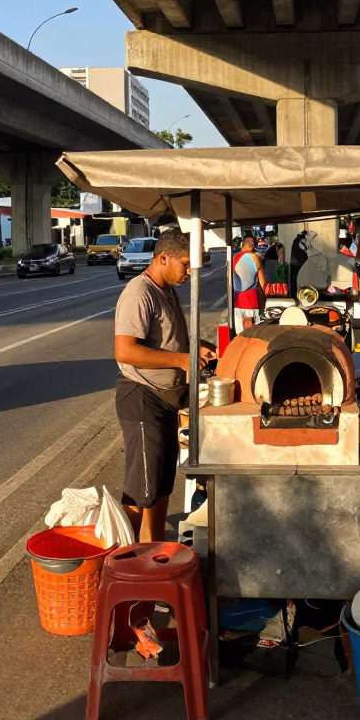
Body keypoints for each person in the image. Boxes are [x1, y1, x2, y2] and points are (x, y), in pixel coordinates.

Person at [113, 230, 215, 542]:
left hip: (167, 401)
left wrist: (196, 350)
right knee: (140, 490)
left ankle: (154, 555)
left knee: (160, 489)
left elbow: (168, 342)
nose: (188, 272)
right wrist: (182, 360)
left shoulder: (166, 291)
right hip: (143, 397)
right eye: (185, 265)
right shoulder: (139, 292)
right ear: (163, 258)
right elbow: (125, 351)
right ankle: (120, 561)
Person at [232, 233, 266, 331]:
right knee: (251, 333)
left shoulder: (234, 258)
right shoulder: (255, 258)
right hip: (251, 301)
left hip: (237, 301)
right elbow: (263, 283)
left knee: (239, 333)